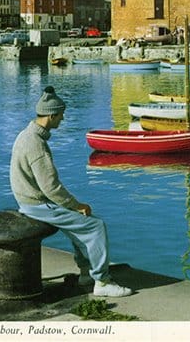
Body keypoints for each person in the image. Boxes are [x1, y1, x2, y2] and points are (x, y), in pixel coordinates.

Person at [9, 86, 132, 297]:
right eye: (61, 115)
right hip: (37, 204)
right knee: (95, 226)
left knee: (80, 222)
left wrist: (73, 207)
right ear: (51, 115)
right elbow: (51, 187)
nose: (63, 119)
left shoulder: (26, 135)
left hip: (29, 200)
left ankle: (86, 272)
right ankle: (102, 281)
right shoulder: (36, 144)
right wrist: (77, 205)